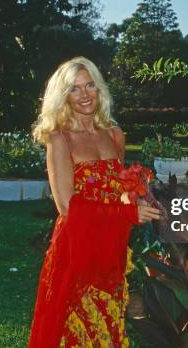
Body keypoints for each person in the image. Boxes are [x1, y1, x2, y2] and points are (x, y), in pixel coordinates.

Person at [29, 57, 161, 347]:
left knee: (108, 328)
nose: (85, 95)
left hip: (111, 248)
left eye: (90, 85)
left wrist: (139, 195)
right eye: (75, 89)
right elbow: (65, 205)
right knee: (75, 332)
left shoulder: (115, 135)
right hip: (75, 250)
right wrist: (126, 212)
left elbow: (119, 191)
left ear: (99, 88)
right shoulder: (59, 138)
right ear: (63, 96)